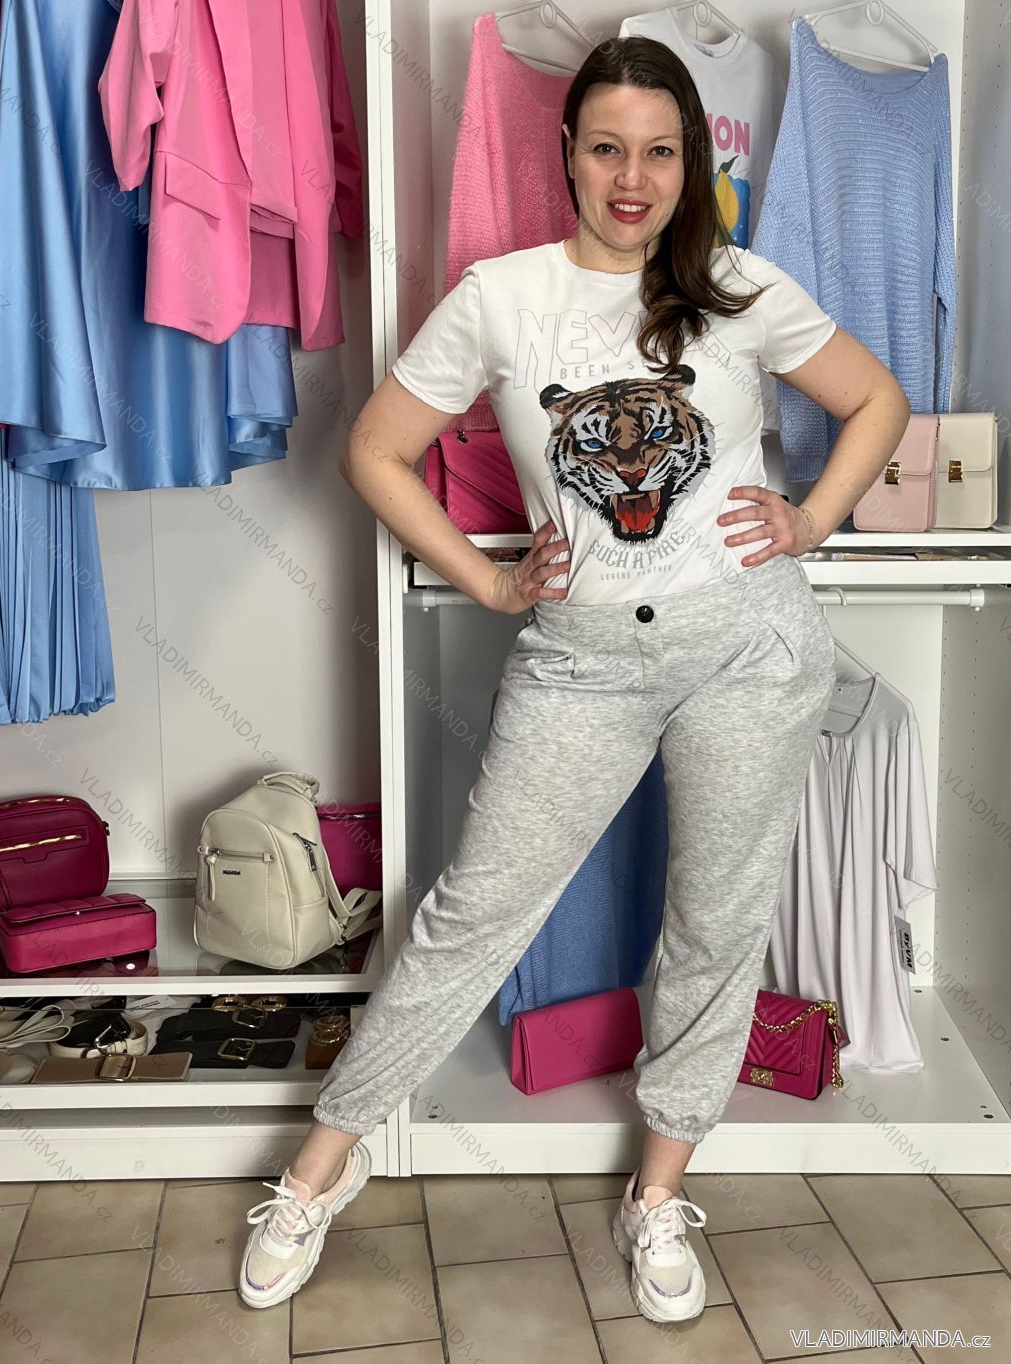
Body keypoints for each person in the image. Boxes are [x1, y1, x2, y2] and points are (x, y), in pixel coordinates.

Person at [238, 35, 910, 1324]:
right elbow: (375, 450)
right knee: (474, 913)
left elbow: (874, 401)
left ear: (691, 163)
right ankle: (322, 1166)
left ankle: (659, 1194)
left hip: (747, 646)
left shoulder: (737, 288)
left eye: (659, 152)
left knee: (714, 923)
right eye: (607, 148)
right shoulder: (501, 296)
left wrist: (811, 520)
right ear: (566, 153)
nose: (632, 179)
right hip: (582, 663)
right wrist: (493, 584)